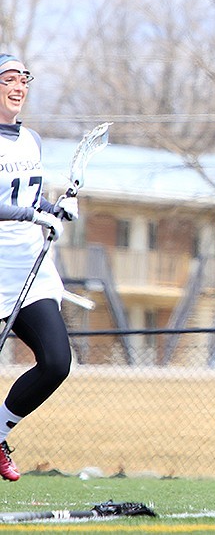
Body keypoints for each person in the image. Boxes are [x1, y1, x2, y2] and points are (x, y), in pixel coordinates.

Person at [0, 53, 77, 482]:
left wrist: (54, 208)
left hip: (30, 269)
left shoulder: (32, 140)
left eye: (23, 79)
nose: (19, 86)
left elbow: (27, 196)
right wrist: (32, 215)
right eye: (9, 79)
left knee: (56, 362)